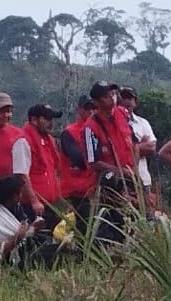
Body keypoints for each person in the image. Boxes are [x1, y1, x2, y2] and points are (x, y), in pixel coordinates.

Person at [83, 81, 137, 243]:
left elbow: (133, 144)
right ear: (97, 102)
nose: (112, 98)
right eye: (106, 96)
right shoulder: (90, 127)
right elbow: (93, 162)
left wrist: (132, 172)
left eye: (113, 94)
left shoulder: (122, 114)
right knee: (109, 225)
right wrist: (120, 171)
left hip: (129, 179)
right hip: (107, 186)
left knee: (133, 223)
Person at [0, 174, 57, 267]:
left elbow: (23, 231)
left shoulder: (15, 208)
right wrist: (17, 237)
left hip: (18, 254)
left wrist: (33, 228)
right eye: (20, 193)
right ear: (15, 197)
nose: (21, 196)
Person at [12, 104, 65, 227]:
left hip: (49, 202)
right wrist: (34, 201)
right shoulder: (23, 141)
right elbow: (21, 175)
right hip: (32, 205)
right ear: (34, 120)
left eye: (51, 119)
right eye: (47, 119)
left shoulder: (48, 140)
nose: (50, 123)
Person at [59, 95, 98, 237]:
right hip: (76, 192)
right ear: (79, 110)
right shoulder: (69, 132)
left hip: (94, 188)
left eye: (94, 108)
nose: (91, 111)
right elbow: (79, 159)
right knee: (82, 231)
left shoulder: (99, 129)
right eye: (87, 108)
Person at [119, 87, 158, 212]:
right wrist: (140, 145)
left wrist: (131, 147)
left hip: (142, 178)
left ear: (135, 102)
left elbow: (152, 147)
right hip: (121, 179)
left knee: (146, 214)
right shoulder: (113, 124)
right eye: (123, 98)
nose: (127, 101)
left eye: (130, 98)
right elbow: (117, 149)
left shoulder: (142, 123)